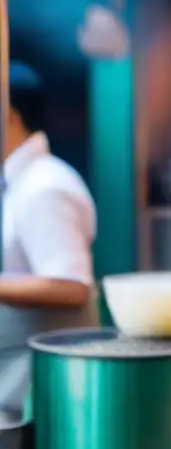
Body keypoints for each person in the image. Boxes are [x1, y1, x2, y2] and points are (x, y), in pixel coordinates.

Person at [0, 62, 99, 416]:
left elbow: (72, 288)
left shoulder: (44, 186)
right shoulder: (20, 182)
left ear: (8, 116)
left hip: (42, 390)